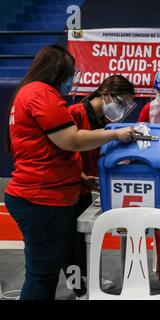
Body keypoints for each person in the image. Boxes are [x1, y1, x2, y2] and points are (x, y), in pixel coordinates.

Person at [4, 45, 139, 300]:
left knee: (47, 272)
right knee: (42, 275)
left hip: (49, 194)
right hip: (41, 197)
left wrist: (78, 177)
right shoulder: (41, 94)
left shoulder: (31, 93)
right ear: (57, 70)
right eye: (70, 75)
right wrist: (115, 135)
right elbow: (71, 140)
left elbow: (52, 149)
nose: (71, 82)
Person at [66, 74, 136, 299]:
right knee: (72, 248)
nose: (122, 108)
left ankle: (89, 281)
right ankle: (78, 289)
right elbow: (65, 150)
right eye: (121, 103)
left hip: (88, 187)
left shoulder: (105, 121)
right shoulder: (75, 113)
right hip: (69, 187)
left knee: (88, 241)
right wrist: (80, 174)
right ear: (105, 94)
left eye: (126, 105)